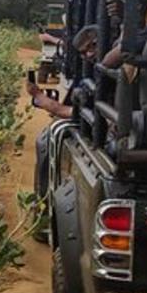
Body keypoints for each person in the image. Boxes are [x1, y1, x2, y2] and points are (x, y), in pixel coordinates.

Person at [29, 26, 98, 201]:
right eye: (84, 52)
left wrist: (40, 98)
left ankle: (42, 201)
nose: (89, 55)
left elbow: (70, 112)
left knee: (55, 133)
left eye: (94, 46)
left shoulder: (105, 71)